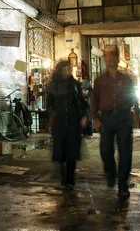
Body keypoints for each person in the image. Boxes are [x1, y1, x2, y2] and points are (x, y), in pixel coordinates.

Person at [93, 47, 137, 198]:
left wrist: (134, 114)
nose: (110, 60)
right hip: (106, 117)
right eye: (107, 57)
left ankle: (123, 186)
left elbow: (133, 96)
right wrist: (95, 119)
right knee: (105, 150)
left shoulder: (126, 80)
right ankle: (110, 171)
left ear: (118, 60)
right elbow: (94, 100)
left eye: (112, 57)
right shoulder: (99, 81)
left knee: (125, 152)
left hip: (123, 117)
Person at [47, 61, 89, 189]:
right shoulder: (53, 85)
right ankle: (63, 176)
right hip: (59, 122)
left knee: (71, 151)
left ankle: (70, 179)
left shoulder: (75, 84)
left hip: (73, 121)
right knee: (61, 151)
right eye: (66, 69)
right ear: (61, 70)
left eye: (69, 69)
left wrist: (83, 116)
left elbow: (81, 101)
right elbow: (50, 105)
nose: (68, 71)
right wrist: (51, 120)